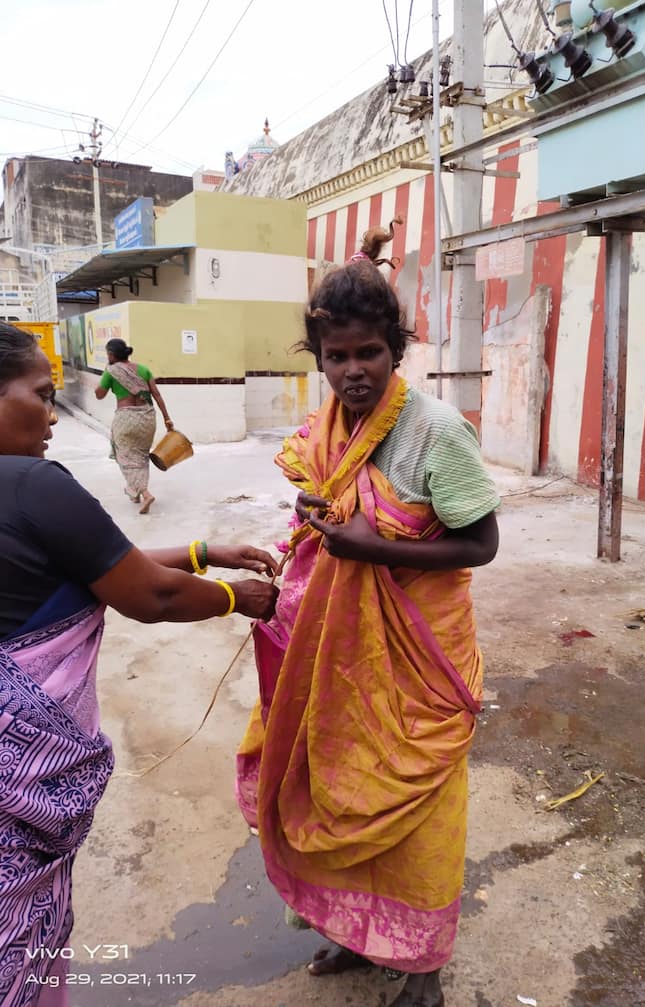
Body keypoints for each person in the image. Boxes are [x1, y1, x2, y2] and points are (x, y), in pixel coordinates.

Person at [236, 224, 500, 1007]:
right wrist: (321, 516)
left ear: (396, 349)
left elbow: (479, 543)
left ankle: (421, 965)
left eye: (369, 355)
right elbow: (324, 496)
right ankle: (354, 933)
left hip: (415, 664)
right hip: (338, 656)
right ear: (318, 357)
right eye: (336, 357)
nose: (353, 372)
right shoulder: (330, 426)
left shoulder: (435, 433)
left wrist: (369, 549)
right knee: (332, 788)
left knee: (412, 816)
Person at [0, 321, 279, 1006]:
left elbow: (99, 565)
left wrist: (205, 551)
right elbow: (143, 593)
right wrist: (233, 597)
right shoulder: (34, 484)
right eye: (39, 395)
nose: (51, 419)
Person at [94, 337, 171, 514]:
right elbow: (157, 395)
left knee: (125, 457)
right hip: (147, 418)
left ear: (112, 354)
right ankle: (135, 493)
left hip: (126, 419)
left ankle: (145, 493)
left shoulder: (112, 371)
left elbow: (99, 394)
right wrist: (167, 418)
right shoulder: (143, 369)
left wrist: (106, 374)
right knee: (141, 456)